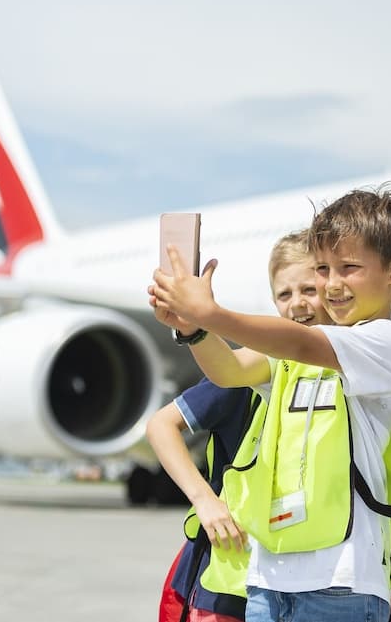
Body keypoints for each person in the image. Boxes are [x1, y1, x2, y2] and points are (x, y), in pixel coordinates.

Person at [149, 187, 391, 622]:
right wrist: (194, 331)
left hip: (342, 581)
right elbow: (229, 370)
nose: (332, 284)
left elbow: (299, 341)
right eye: (323, 269)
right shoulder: (290, 359)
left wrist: (211, 314)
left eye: (349, 268)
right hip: (269, 578)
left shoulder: (385, 342)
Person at [148, 230, 332, 622]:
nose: (298, 303)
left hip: (297, 578)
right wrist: (204, 501)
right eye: (284, 294)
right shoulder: (254, 369)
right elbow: (162, 425)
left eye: (308, 290)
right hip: (229, 575)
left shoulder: (347, 368)